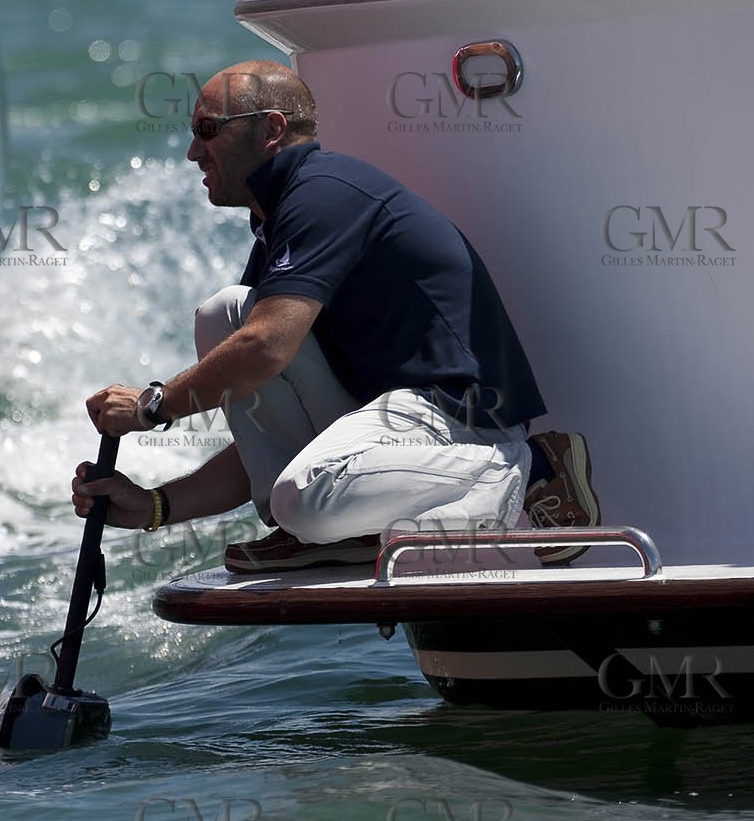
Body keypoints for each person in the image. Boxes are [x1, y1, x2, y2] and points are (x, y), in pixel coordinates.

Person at [74, 61, 598, 573]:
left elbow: (266, 349)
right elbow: (268, 440)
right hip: (398, 423)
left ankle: (532, 471)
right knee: (227, 315)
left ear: (272, 129)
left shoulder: (323, 192)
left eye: (207, 130)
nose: (193, 152)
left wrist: (151, 406)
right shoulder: (283, 219)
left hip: (461, 416)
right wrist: (157, 506)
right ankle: (323, 532)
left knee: (299, 485)